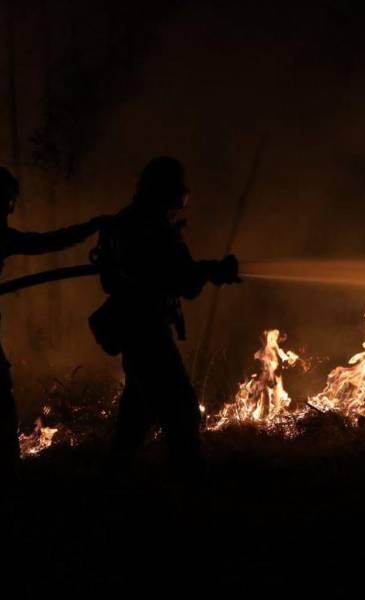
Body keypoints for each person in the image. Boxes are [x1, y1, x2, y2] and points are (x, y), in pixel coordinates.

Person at [0, 163, 105, 480]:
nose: (9, 209)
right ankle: (1, 489)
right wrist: (92, 227)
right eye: (6, 201)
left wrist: (91, 227)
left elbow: (45, 242)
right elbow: (45, 242)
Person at [89, 156, 240, 474]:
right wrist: (213, 270)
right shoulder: (151, 227)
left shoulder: (130, 221)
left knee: (136, 413)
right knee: (182, 409)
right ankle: (189, 482)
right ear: (167, 191)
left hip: (136, 329)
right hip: (147, 330)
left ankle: (110, 481)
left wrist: (207, 271)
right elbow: (180, 280)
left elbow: (165, 275)